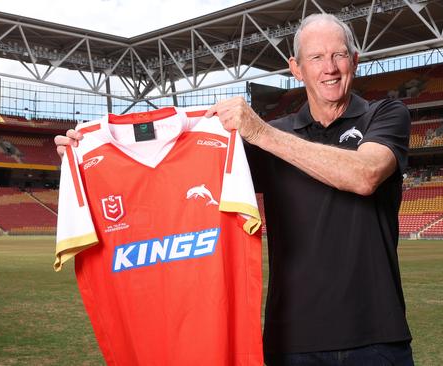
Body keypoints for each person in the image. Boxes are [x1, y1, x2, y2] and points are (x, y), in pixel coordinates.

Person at [56, 13, 413, 366]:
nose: (329, 68)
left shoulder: (385, 115)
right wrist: (91, 156)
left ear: (355, 60)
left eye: (338, 55)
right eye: (316, 57)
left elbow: (365, 175)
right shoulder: (269, 135)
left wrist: (262, 133)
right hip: (291, 341)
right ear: (296, 68)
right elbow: (174, 173)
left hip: (376, 335)